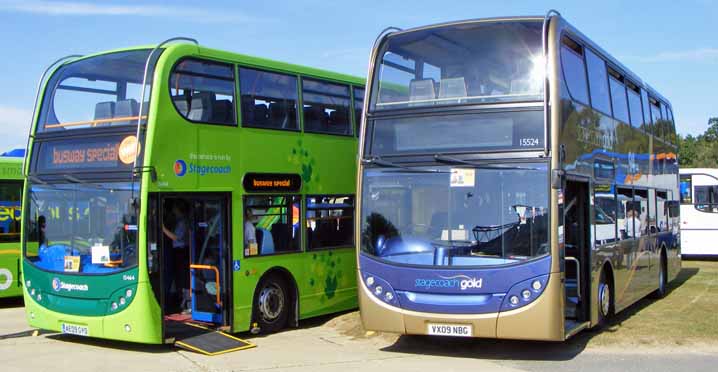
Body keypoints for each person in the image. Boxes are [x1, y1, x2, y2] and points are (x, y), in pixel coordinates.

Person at [162, 200, 190, 313]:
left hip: (181, 251)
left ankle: (186, 302)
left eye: (174, 209)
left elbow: (176, 238)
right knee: (178, 277)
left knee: (182, 276)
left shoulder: (183, 223)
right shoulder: (178, 221)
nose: (173, 211)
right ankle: (182, 300)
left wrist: (163, 228)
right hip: (178, 251)